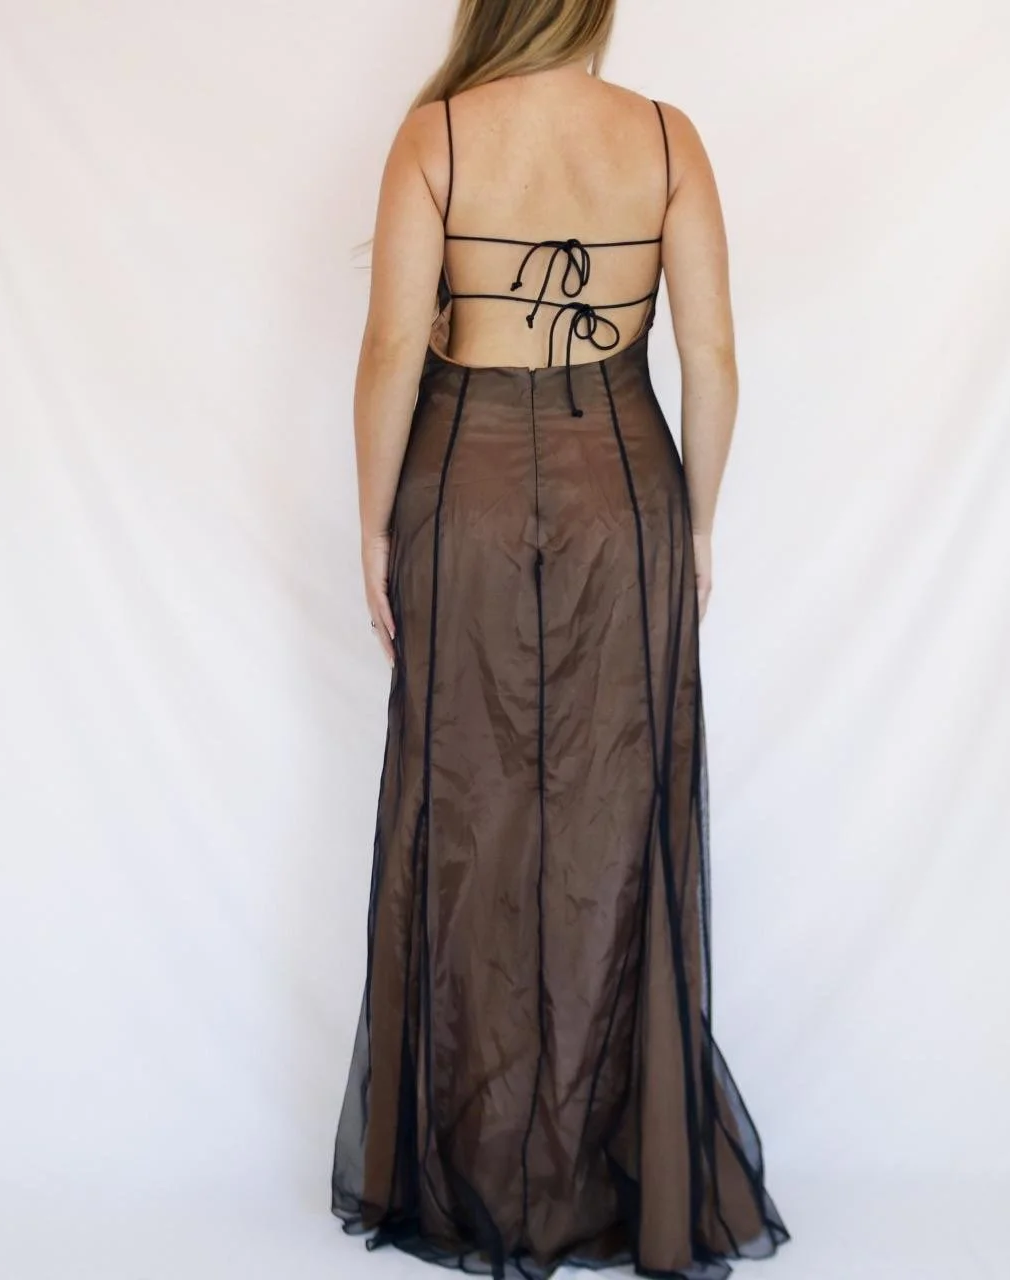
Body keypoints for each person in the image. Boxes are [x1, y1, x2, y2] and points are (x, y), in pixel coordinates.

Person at [332, 2, 791, 1276]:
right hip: (623, 491)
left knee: (465, 810)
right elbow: (710, 356)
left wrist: (369, 524)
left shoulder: (437, 136)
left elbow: (390, 350)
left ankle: (468, 1172)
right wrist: (697, 521)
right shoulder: (664, 140)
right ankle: (613, 1174)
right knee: (614, 816)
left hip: (461, 488)